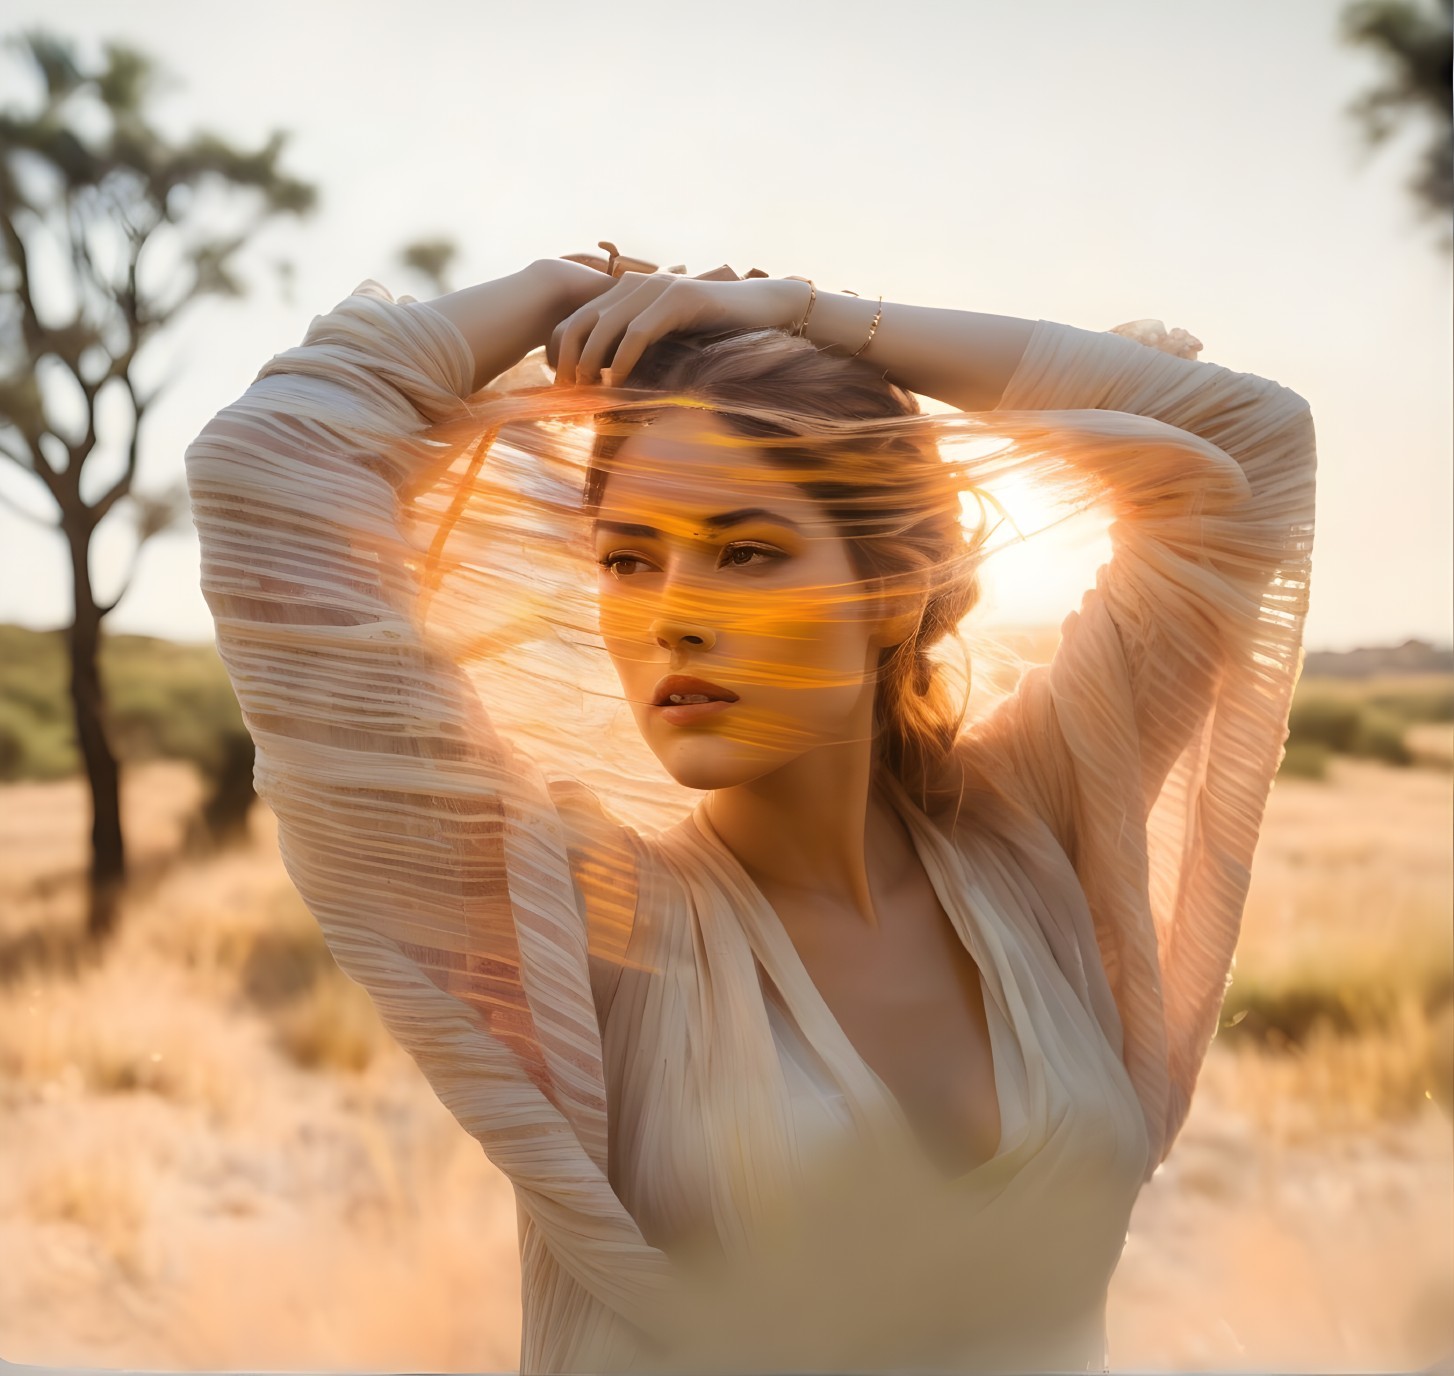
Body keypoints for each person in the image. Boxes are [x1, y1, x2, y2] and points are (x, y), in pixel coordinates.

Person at [184, 247, 1317, 1373]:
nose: (672, 616)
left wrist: (809, 314)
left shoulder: (1030, 826)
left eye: (743, 550)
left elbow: (1245, 451)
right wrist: (558, 289)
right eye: (628, 560)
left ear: (891, 591)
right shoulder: (582, 918)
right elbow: (263, 469)